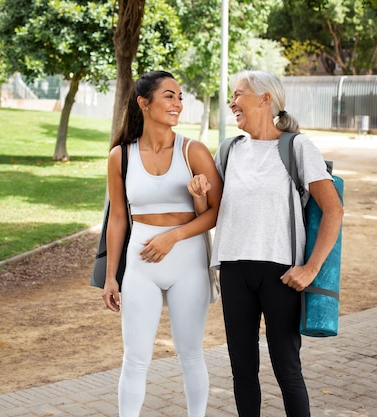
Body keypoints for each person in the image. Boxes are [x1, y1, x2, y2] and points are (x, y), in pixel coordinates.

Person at [206, 70, 344, 417]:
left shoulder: (298, 147)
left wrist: (310, 269)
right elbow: (215, 209)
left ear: (265, 99)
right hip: (234, 269)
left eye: (238, 95)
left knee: (286, 368)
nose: (232, 102)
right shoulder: (229, 149)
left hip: (282, 273)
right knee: (242, 371)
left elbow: (333, 210)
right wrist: (198, 194)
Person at [102, 70, 221, 417]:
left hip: (188, 261)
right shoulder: (120, 156)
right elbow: (118, 219)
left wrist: (174, 236)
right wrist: (112, 276)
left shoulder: (193, 150)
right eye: (169, 96)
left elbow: (217, 210)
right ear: (144, 102)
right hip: (140, 265)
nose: (178, 103)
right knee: (135, 358)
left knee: (190, 354)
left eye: (180, 97)